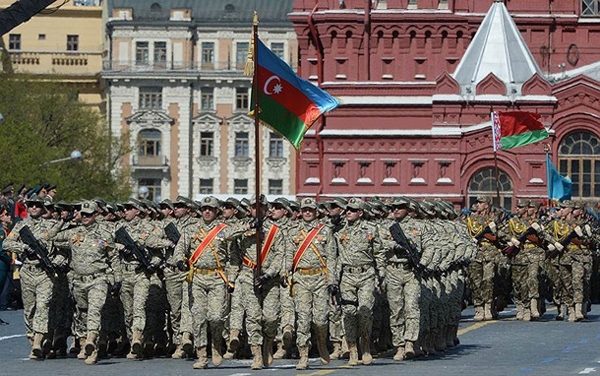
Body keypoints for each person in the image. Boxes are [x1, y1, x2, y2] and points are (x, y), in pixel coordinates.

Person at [51, 201, 118, 365]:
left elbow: (114, 257)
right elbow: (50, 237)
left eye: (89, 214)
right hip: (79, 281)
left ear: (96, 215)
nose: (86, 217)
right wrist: (63, 221)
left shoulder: (105, 234)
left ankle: (91, 339)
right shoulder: (73, 233)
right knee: (83, 313)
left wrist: (118, 279)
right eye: (84, 214)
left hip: (98, 279)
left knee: (95, 310)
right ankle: (90, 348)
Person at [332, 197, 385, 366]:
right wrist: (332, 280)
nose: (348, 212)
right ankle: (352, 350)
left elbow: (379, 252)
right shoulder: (339, 231)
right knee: (348, 313)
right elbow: (333, 257)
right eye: (347, 209)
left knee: (364, 312)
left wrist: (381, 273)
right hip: (347, 276)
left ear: (360, 213)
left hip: (366, 275)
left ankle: (366, 347)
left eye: (353, 210)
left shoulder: (371, 229)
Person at [286, 197, 335, 370]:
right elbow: (289, 255)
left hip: (320, 278)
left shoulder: (325, 231)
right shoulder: (293, 231)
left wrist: (332, 280)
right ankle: (303, 355)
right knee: (303, 318)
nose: (307, 213)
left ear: (316, 212)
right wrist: (287, 274)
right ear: (300, 212)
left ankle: (322, 342)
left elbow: (331, 257)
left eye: (310, 210)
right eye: (305, 210)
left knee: (321, 319)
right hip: (301, 279)